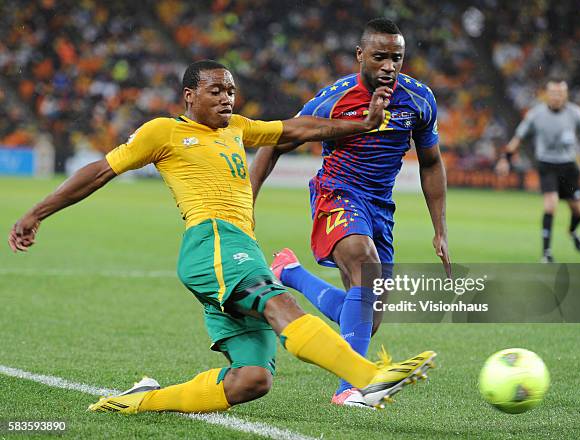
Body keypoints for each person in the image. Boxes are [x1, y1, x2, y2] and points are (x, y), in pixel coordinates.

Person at [8, 60, 436, 414]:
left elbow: (298, 129)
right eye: (216, 90)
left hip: (239, 247)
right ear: (189, 95)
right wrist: (36, 213)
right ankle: (367, 378)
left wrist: (363, 123)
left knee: (252, 380)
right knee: (278, 304)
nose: (226, 98)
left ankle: (138, 402)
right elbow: (100, 171)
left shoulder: (239, 128)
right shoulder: (163, 132)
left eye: (230, 90)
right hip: (212, 241)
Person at [249, 19, 449, 407]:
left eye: (397, 58)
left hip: (380, 207)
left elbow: (431, 161)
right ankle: (350, 388)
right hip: (336, 194)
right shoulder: (333, 99)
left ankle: (289, 272)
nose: (389, 66)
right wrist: (247, 202)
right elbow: (276, 141)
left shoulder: (419, 100)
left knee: (364, 319)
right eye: (380, 57)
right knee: (363, 262)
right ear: (360, 56)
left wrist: (439, 230)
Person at [496, 77, 580, 263]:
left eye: (560, 93)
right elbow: (518, 137)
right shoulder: (536, 114)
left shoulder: (576, 114)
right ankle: (546, 254)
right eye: (553, 93)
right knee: (550, 204)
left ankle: (573, 231)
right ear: (547, 94)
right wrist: (505, 158)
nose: (557, 96)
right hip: (547, 165)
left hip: (568, 167)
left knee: (579, 211)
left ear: (565, 94)